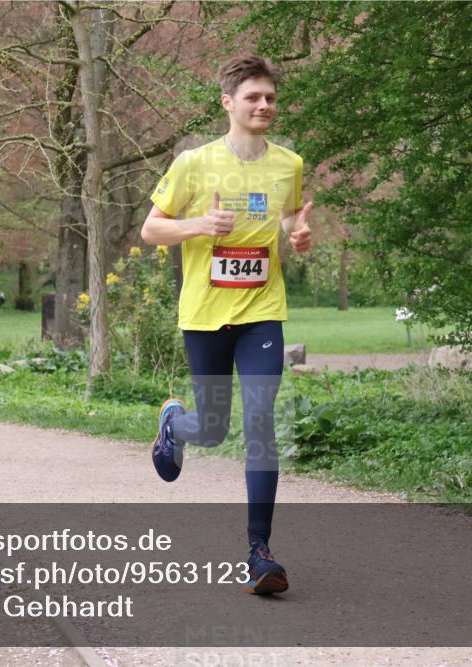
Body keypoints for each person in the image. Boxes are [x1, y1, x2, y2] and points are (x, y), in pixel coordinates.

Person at [140, 55, 313, 595]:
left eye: (270, 98)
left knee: (261, 420)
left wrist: (298, 236)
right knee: (213, 429)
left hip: (262, 312)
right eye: (253, 98)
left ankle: (259, 553)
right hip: (205, 316)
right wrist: (200, 224)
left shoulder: (289, 163)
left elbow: (285, 218)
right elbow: (151, 229)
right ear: (228, 104)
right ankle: (176, 426)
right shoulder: (194, 164)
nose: (264, 106)